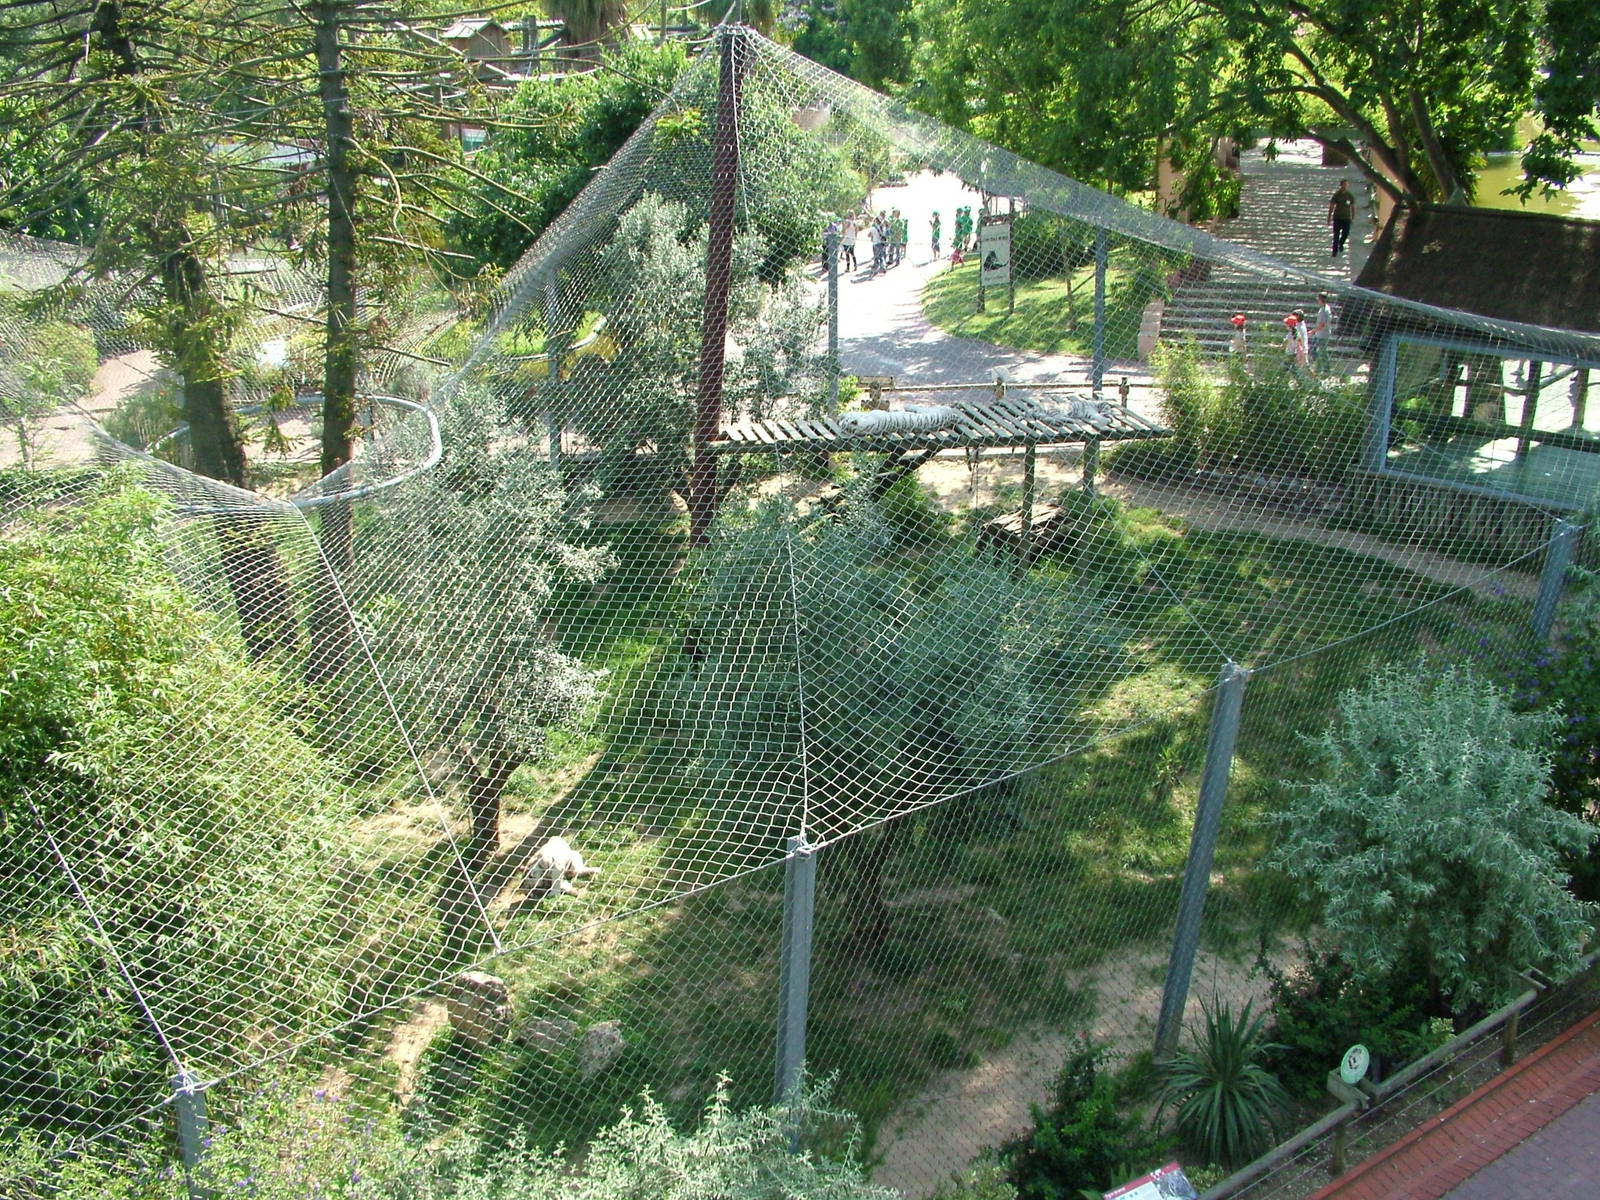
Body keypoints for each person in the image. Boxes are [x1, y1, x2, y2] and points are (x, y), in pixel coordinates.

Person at [1328, 179, 1355, 257]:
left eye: (1346, 185)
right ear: (1341, 185)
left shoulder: (1350, 196)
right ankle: (1334, 251)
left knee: (1346, 233)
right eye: (1344, 185)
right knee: (1336, 235)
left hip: (1346, 218)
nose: (1345, 187)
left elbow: (1353, 207)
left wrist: (1353, 217)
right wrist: (1329, 217)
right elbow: (1332, 206)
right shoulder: (1336, 195)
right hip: (1337, 217)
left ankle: (1341, 243)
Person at [1307, 292, 1334, 371]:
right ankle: (1318, 367)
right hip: (1320, 334)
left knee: (1322, 352)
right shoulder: (1324, 308)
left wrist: (1312, 331)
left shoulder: (1324, 311)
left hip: (1322, 334)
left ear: (1321, 299)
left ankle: (1326, 368)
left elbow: (1322, 325)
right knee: (1316, 350)